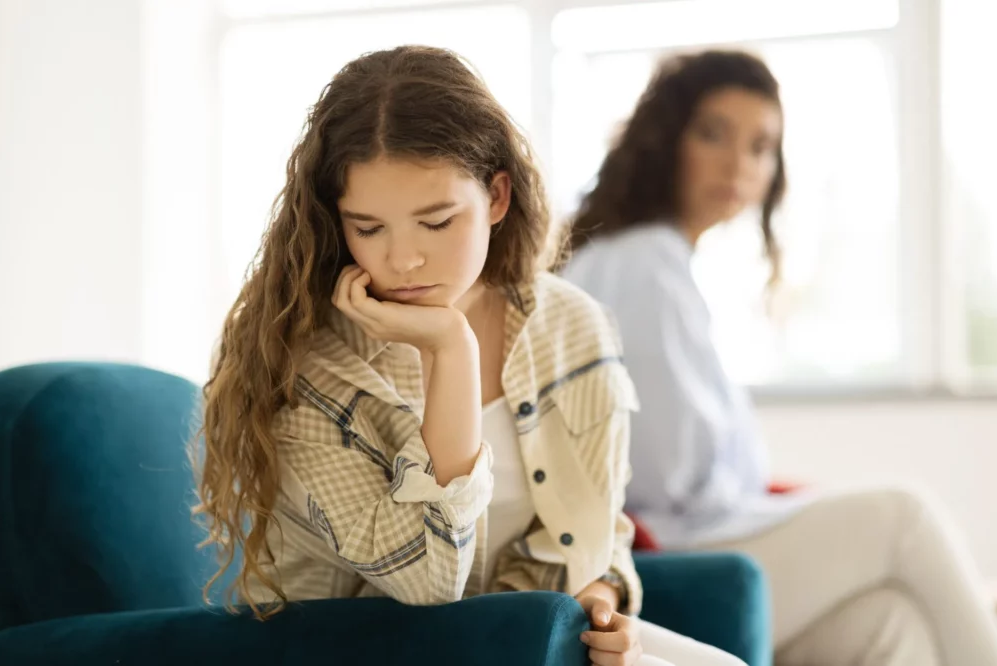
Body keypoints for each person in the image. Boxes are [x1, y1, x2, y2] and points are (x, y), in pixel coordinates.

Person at [194, 45, 745, 666]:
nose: (402, 260)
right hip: (377, 650)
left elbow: (601, 526)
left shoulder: (570, 324)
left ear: (498, 198)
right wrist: (449, 348)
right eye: (368, 228)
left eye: (437, 222)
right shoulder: (303, 367)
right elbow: (428, 585)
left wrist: (602, 595)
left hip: (533, 639)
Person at [561, 49, 997, 665]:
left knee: (888, 624)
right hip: (669, 553)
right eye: (713, 134)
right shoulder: (644, 265)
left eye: (760, 146)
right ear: (666, 141)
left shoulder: (645, 261)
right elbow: (670, 475)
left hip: (690, 539)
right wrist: (770, 497)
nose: (737, 163)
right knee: (906, 515)